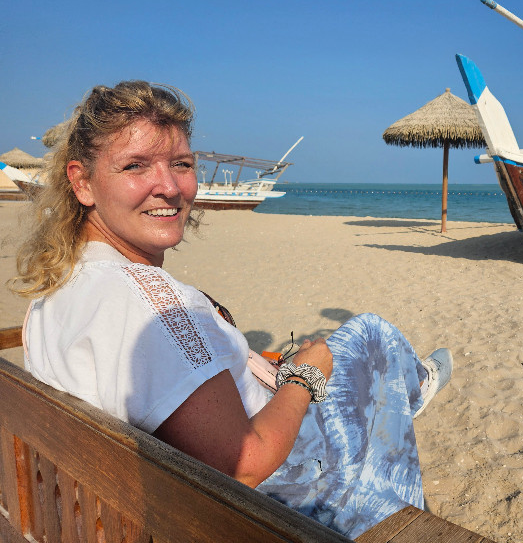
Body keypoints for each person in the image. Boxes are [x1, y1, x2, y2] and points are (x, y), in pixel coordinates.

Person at [9, 80, 453, 538]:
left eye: (181, 164)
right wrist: (305, 378)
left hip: (124, 494)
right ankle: (412, 386)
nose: (169, 186)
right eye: (135, 165)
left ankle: (408, 383)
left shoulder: (62, 280)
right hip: (275, 483)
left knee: (355, 344)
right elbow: (243, 465)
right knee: (366, 334)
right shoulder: (150, 305)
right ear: (82, 182)